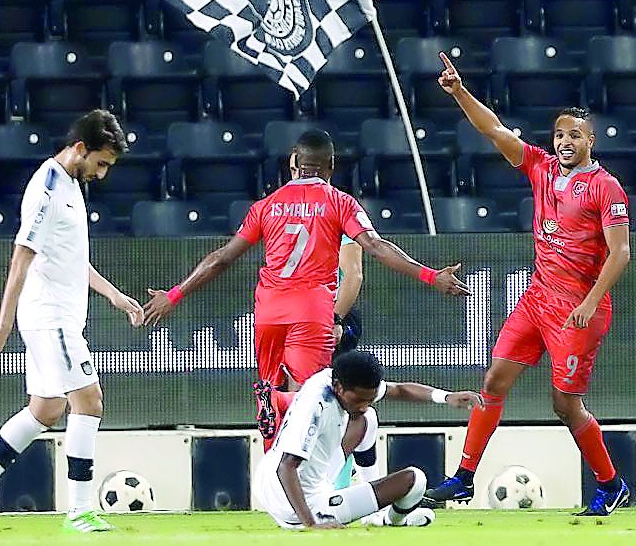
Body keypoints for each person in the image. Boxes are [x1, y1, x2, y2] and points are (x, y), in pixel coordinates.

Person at [143, 129, 471, 452]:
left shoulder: (265, 206)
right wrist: (430, 275)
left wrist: (173, 295)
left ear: (293, 163)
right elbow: (375, 247)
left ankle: (276, 463)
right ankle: (299, 456)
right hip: (311, 311)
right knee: (309, 397)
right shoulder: (339, 202)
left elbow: (220, 259)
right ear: (330, 166)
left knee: (270, 390)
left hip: (268, 312)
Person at [423, 52, 632, 516]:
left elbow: (621, 253)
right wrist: (459, 92)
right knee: (494, 378)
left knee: (565, 404)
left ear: (590, 141)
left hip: (580, 308)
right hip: (537, 300)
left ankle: (611, 483)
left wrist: (590, 302)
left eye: (574, 135)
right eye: (559, 134)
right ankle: (463, 478)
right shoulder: (538, 167)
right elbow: (493, 129)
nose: (563, 141)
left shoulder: (605, 187)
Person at [0, 110, 143, 533]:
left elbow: (71, 259)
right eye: (101, 163)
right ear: (79, 149)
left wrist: (115, 296)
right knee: (89, 401)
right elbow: (22, 256)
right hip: (50, 316)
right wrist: (3, 324)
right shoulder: (49, 189)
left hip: (57, 315)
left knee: (46, 408)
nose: (102, 174)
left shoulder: (71, 184)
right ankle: (80, 510)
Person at [253, 350, 483, 529]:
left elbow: (399, 390)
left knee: (368, 418)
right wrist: (312, 523)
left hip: (274, 481)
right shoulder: (315, 405)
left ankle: (375, 513)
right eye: (360, 400)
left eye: (369, 399)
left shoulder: (335, 379)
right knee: (415, 480)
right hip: (297, 505)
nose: (363, 405)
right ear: (339, 387)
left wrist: (446, 397)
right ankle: (389, 519)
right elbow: (286, 467)